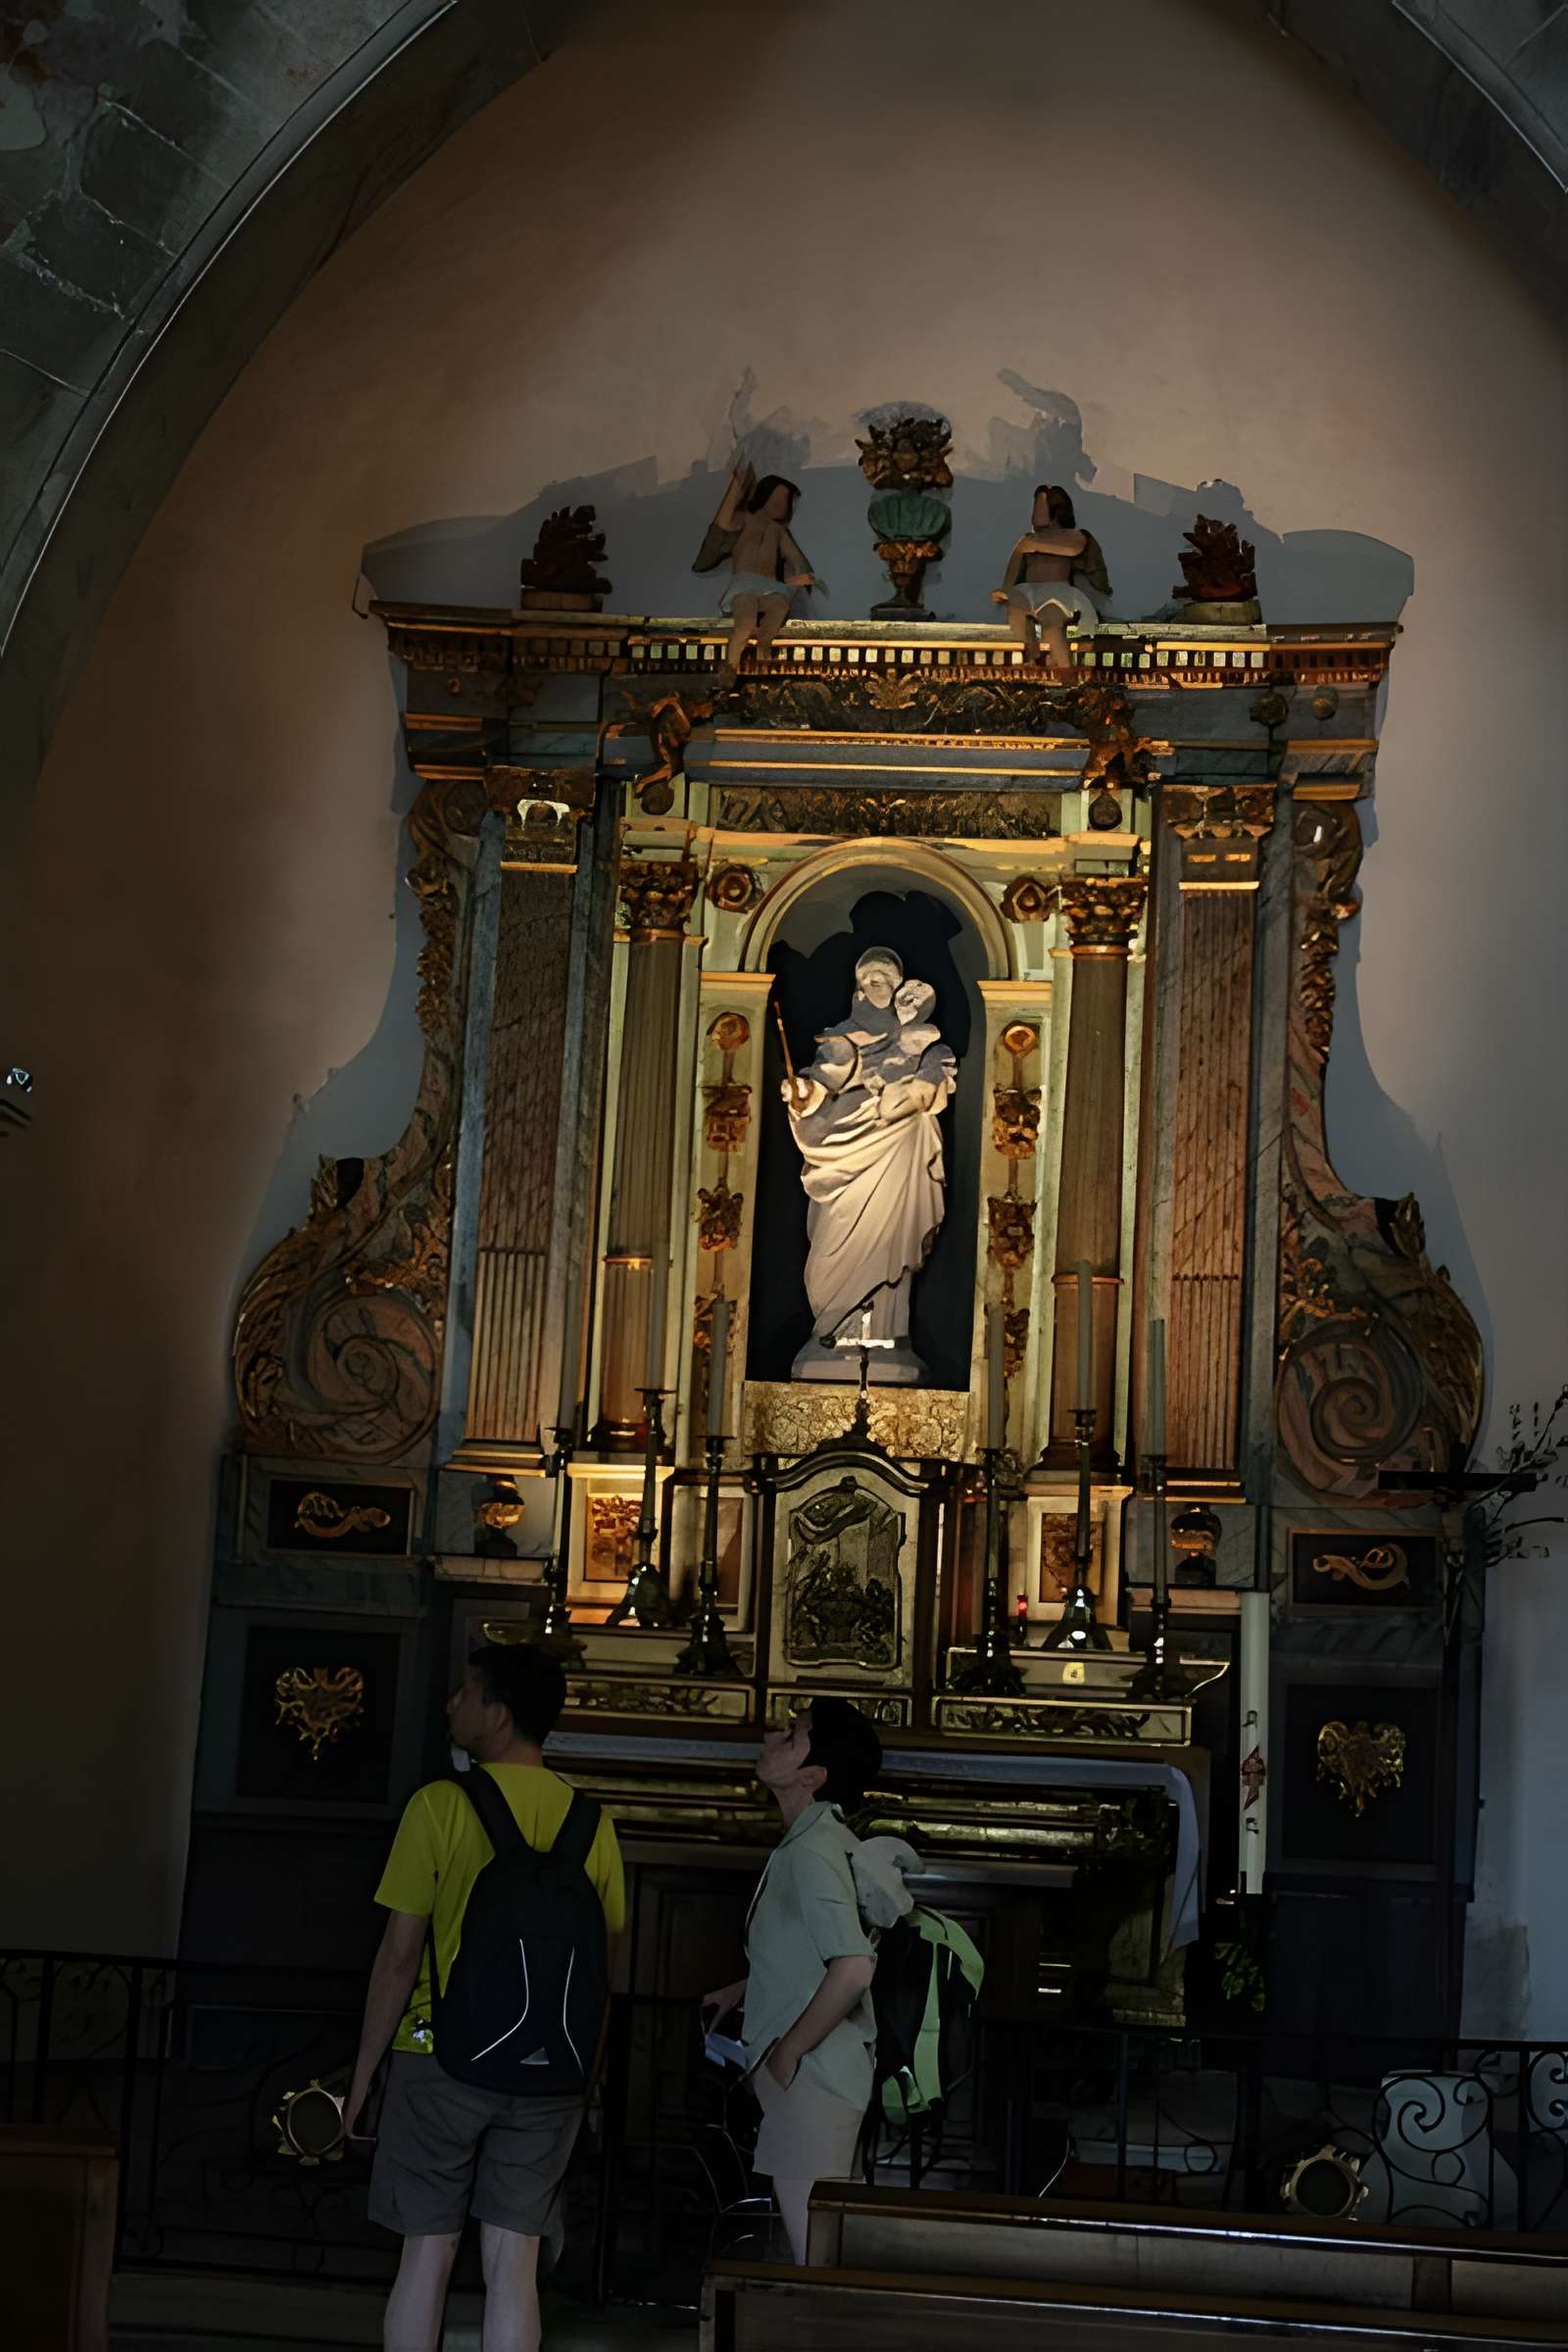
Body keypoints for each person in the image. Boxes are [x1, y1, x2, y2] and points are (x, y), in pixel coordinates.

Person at [343, 1644, 625, 2352]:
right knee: (514, 2263)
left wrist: (362, 2076)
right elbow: (604, 1973)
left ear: (498, 1714)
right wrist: (585, 2082)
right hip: (550, 2069)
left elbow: (399, 1954)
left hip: (438, 2055)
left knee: (427, 2253)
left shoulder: (439, 1805)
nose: (452, 1705)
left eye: (466, 1693)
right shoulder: (593, 1823)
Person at [700, 1697, 886, 2266]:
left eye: (793, 1734)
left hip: (813, 2080)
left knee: (815, 2258)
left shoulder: (812, 1850)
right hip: (822, 2077)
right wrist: (745, 1988)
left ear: (813, 1776)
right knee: (823, 2249)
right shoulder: (816, 1839)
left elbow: (853, 1967)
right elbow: (811, 1954)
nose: (772, 1737)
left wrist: (788, 2054)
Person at [781, 949, 956, 1382]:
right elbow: (822, 1084)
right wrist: (802, 1093)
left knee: (890, 1242)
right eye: (869, 978)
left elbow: (934, 1083)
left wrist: (918, 1083)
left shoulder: (928, 1045)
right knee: (831, 1242)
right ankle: (830, 1330)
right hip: (844, 1155)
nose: (876, 985)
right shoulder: (843, 1040)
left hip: (896, 1152)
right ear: (858, 988)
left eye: (885, 978)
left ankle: (886, 1336)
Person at [694, 460, 818, 672]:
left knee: (780, 605)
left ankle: (764, 644)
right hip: (745, 583)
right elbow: (722, 525)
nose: (781, 505)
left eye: (785, 501)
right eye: (777, 498)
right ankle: (729, 668)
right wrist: (736, 486)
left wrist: (800, 579)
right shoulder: (745, 520)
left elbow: (798, 561)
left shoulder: (779, 532)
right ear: (764, 496)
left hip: (770, 584)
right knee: (744, 621)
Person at [993, 482, 1111, 671]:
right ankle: (1030, 658)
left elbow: (1074, 549)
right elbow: (1015, 564)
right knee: (1016, 609)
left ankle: (1064, 672)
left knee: (1052, 626)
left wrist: (1038, 545)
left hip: (1057, 591)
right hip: (1029, 589)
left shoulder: (1074, 536)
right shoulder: (1028, 539)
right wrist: (1006, 588)